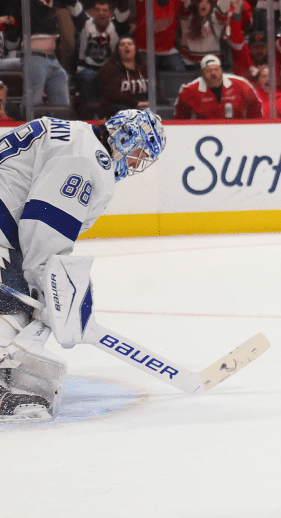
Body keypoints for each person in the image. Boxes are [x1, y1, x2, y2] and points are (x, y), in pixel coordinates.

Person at [0, 109, 165, 421]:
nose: (135, 165)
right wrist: (48, 286)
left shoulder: (75, 135)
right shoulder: (87, 159)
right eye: (139, 155)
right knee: (14, 302)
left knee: (21, 291)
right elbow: (44, 224)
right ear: (126, 139)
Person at [174, 54, 263, 119]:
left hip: (236, 130)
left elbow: (256, 110)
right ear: (202, 73)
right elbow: (180, 118)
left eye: (216, 69)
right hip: (205, 133)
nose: (213, 73)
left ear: (221, 70)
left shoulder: (241, 84)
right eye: (208, 70)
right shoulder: (189, 90)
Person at [97, 37, 149, 115]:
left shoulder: (144, 69)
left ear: (135, 50)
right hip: (118, 108)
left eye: (130, 44)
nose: (126, 46)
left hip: (144, 105)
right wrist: (135, 103)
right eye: (122, 44)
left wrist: (150, 102)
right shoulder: (108, 69)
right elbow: (113, 94)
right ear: (118, 51)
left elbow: (155, 88)